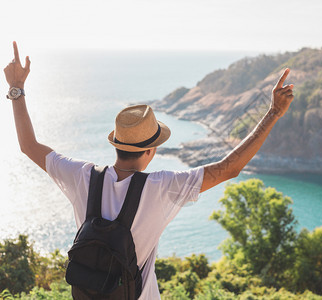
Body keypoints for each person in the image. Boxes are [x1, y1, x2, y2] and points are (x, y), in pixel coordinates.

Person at [4, 41, 294, 299]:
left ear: (116, 144)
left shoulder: (81, 176)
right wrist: (274, 113)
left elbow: (29, 146)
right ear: (150, 151)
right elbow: (229, 168)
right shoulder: (161, 187)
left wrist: (16, 89)